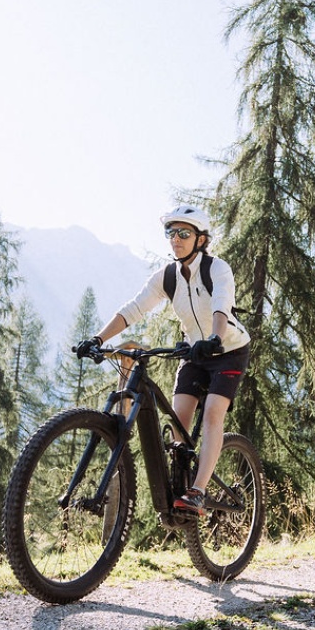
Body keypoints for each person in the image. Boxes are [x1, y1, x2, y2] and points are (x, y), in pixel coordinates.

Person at [75, 206, 249, 515]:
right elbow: (134, 309)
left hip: (228, 350)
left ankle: (197, 490)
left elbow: (222, 306)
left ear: (201, 239)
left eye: (184, 233)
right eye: (171, 233)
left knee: (211, 414)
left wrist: (216, 339)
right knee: (178, 420)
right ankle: (182, 476)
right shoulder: (167, 276)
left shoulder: (217, 269)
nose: (176, 240)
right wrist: (99, 339)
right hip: (194, 352)